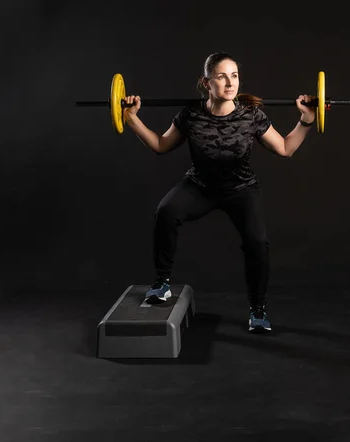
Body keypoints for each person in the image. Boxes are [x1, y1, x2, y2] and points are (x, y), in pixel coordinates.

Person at [123, 52, 316, 332]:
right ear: (206, 83)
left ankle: (257, 310)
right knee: (166, 212)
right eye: (221, 76)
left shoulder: (251, 115)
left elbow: (285, 148)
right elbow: (161, 145)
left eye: (234, 76)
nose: (229, 83)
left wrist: (306, 120)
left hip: (241, 189)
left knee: (257, 244)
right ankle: (161, 284)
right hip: (199, 186)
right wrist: (131, 119)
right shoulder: (190, 115)